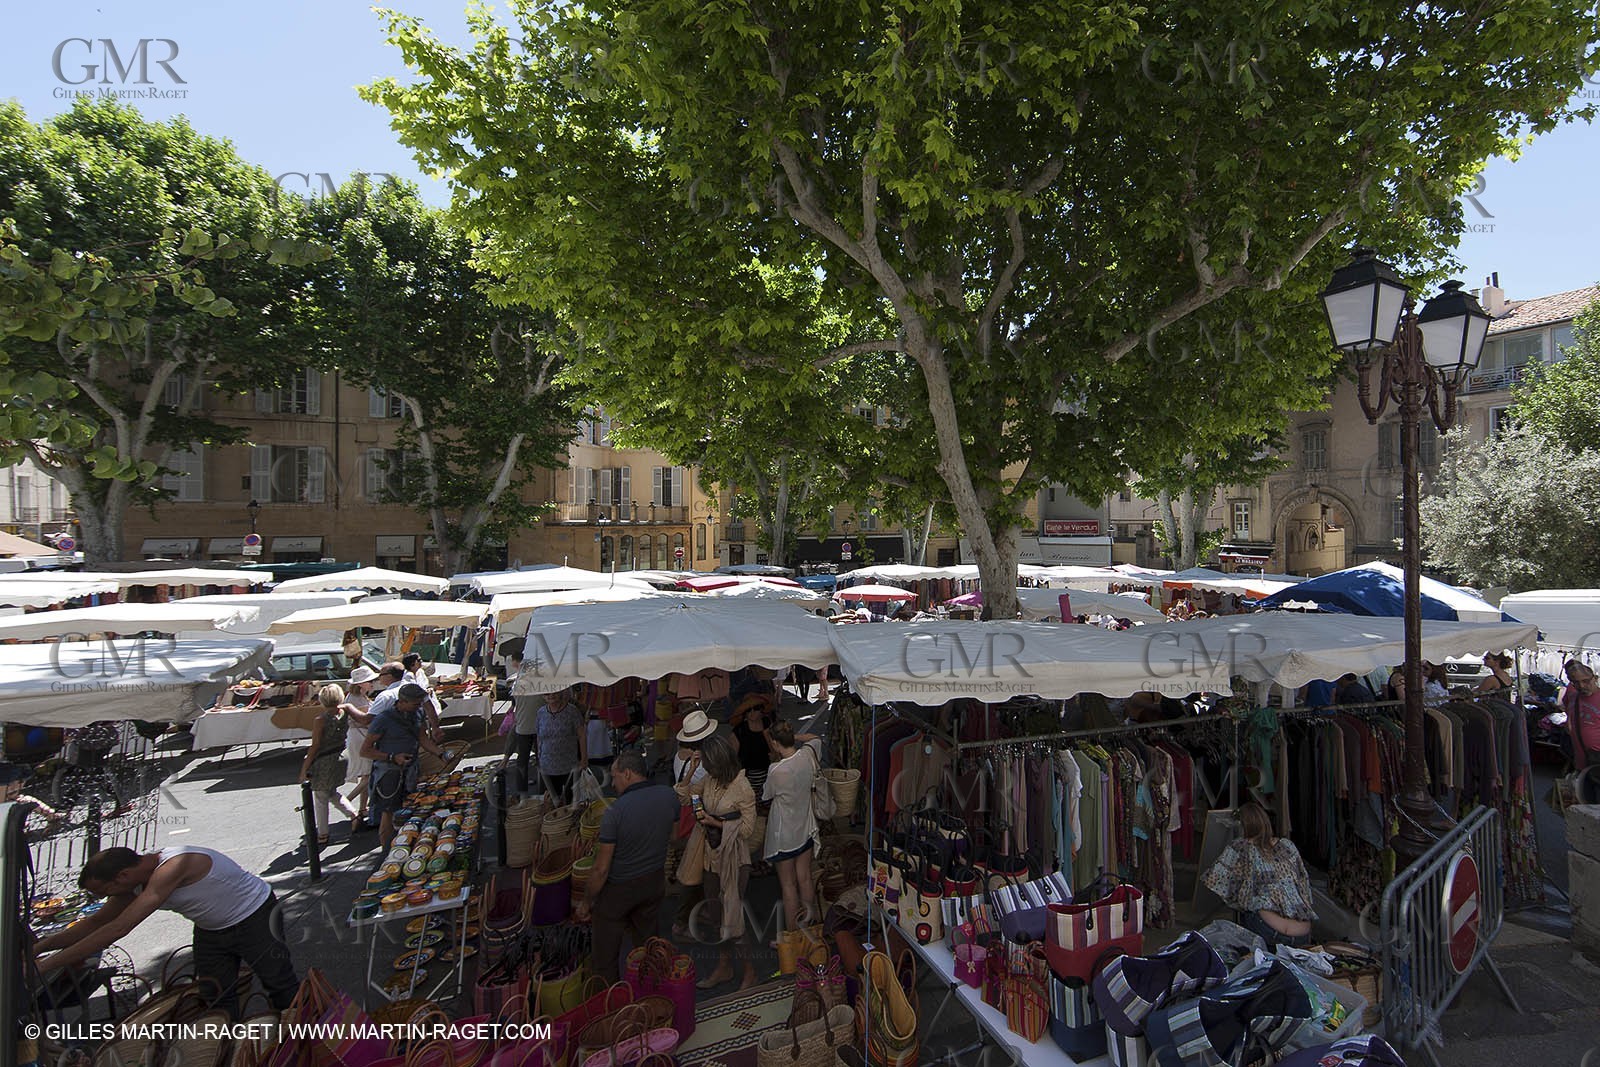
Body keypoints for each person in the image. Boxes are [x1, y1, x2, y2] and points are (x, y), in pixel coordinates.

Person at [33, 845, 299, 1017]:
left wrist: (46, 965)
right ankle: (227, 1050)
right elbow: (96, 922)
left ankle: (305, 1041)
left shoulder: (173, 866)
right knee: (215, 994)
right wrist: (39, 947)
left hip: (255, 916)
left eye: (104, 891)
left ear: (122, 876)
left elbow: (119, 927)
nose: (105, 898)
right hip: (211, 928)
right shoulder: (134, 880)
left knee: (279, 984)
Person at [577, 752, 679, 982]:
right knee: (650, 944)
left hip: (620, 889)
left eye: (614, 777)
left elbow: (601, 869)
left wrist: (586, 902)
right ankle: (654, 989)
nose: (612, 784)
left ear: (628, 774)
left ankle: (609, 997)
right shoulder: (669, 795)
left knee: (605, 957)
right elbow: (673, 837)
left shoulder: (615, 812)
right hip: (654, 882)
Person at [676, 735, 760, 991]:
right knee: (715, 915)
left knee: (732, 917)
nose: (707, 770)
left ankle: (749, 971)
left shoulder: (742, 787)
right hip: (711, 856)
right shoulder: (710, 780)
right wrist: (691, 770)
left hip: (734, 858)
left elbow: (747, 829)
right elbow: (684, 796)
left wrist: (716, 823)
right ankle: (724, 966)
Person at [1201, 801, 1315, 949]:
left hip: (1269, 929)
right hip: (1303, 933)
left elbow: (1216, 882)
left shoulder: (1240, 846)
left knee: (1247, 907)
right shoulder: (1287, 845)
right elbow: (1304, 886)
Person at [361, 683, 446, 848]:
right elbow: (365, 751)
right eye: (415, 704)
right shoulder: (383, 719)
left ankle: (407, 846)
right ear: (402, 702)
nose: (419, 707)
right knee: (389, 813)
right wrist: (392, 757)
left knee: (411, 809)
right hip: (389, 773)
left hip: (411, 771)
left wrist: (440, 753)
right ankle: (386, 851)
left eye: (420, 703)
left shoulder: (418, 713)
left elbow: (422, 738)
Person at [763, 720, 824, 932]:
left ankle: (793, 935)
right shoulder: (807, 755)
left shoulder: (776, 770)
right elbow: (815, 738)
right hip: (805, 826)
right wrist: (794, 737)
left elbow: (766, 795)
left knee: (788, 885)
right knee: (805, 878)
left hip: (784, 834)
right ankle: (809, 926)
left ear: (775, 743)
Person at [298, 684, 364, 847]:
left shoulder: (320, 720)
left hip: (325, 760)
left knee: (321, 797)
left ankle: (323, 833)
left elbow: (315, 746)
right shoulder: (344, 712)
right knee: (330, 792)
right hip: (340, 755)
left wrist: (304, 768)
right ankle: (353, 814)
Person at [342, 665, 384, 830]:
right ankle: (347, 801)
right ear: (360, 684)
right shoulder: (355, 699)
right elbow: (366, 720)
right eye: (369, 681)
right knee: (368, 775)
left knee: (366, 774)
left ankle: (362, 808)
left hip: (359, 735)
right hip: (359, 735)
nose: (372, 683)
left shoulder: (359, 696)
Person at [533, 687, 587, 805]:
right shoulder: (541, 713)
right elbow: (539, 737)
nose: (551, 696)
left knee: (571, 803)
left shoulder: (572, 711)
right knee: (550, 803)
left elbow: (582, 735)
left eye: (554, 692)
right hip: (547, 766)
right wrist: (539, 758)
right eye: (547, 693)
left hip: (569, 766)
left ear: (560, 692)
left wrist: (584, 759)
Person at [1561, 660, 1600, 770]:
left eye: (1585, 681)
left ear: (1595, 678)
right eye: (1576, 682)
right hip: (1581, 761)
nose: (1582, 686)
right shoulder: (1573, 698)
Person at [401, 651, 444, 744]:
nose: (421, 662)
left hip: (427, 701)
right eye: (419, 660)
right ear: (412, 663)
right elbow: (414, 692)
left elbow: (425, 685)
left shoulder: (420, 672)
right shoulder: (407, 677)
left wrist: (429, 689)